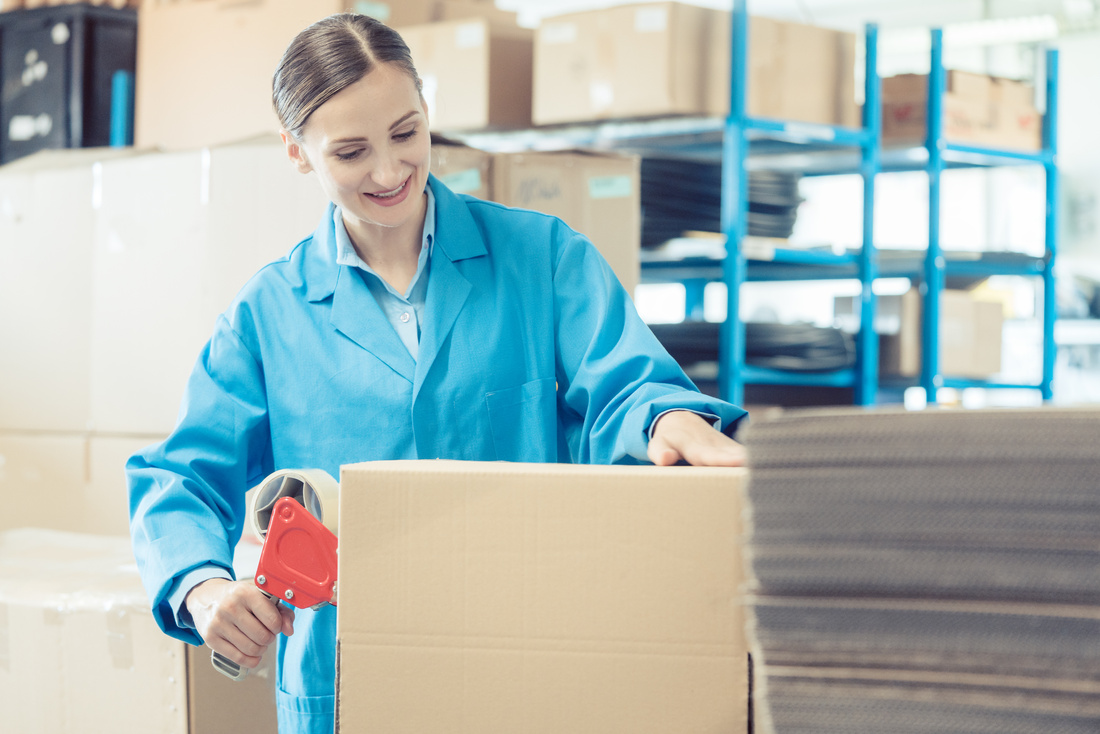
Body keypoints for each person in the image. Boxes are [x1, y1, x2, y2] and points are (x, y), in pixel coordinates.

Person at [128, 12, 747, 734]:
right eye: (352, 152)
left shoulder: (542, 257)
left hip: (522, 657)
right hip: (344, 684)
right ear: (297, 153)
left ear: (427, 112)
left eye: (406, 133)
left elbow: (625, 386)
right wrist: (203, 589)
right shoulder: (268, 312)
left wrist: (665, 418)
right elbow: (182, 480)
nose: (389, 171)